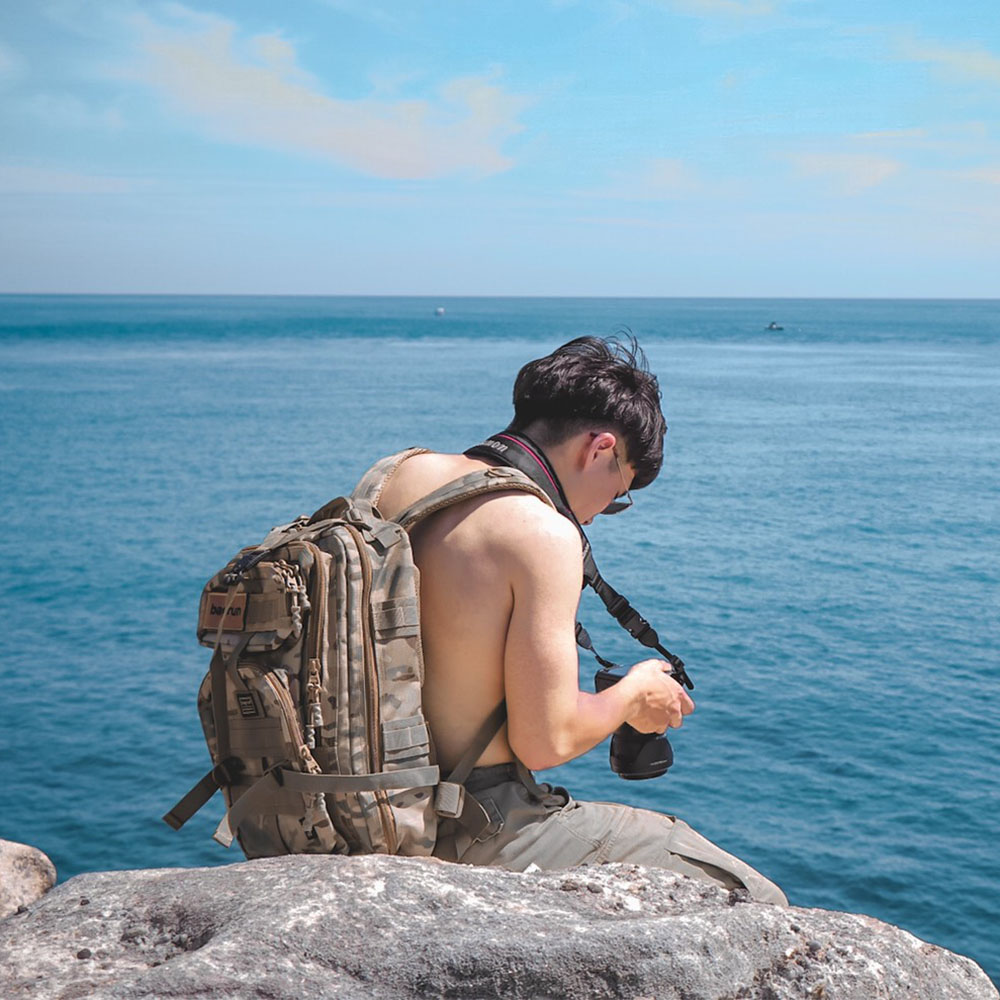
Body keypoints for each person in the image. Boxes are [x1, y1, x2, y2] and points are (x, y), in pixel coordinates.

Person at [375, 335, 787, 905]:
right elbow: (546, 741)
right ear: (600, 448)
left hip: (351, 798)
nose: (595, 516)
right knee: (758, 900)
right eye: (617, 495)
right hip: (464, 819)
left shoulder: (398, 473)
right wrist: (634, 695)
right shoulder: (542, 533)